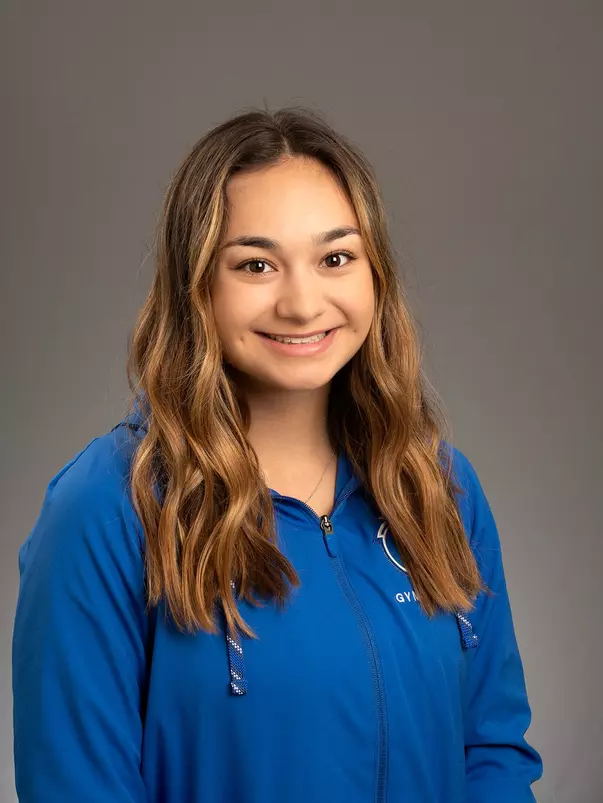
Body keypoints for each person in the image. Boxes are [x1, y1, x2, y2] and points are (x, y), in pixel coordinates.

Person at [12, 107, 543, 802]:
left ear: (374, 274)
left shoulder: (438, 489)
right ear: (195, 284)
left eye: (335, 258)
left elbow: (492, 751)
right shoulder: (108, 509)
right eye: (256, 264)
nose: (301, 302)